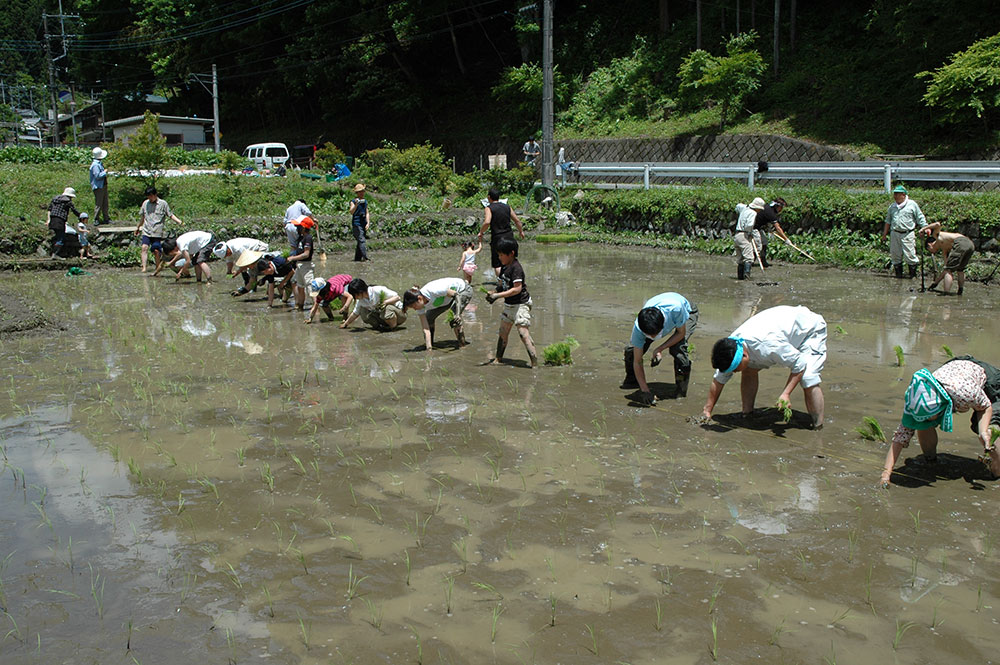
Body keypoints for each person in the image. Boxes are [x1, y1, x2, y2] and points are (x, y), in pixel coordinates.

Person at [880, 356, 1000, 487]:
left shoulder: (964, 393)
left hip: (988, 380)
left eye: (930, 416)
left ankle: (997, 472)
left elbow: (985, 407)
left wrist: (982, 431)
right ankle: (930, 461)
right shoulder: (915, 400)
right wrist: (886, 475)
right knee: (923, 424)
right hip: (955, 368)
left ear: (941, 408)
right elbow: (899, 439)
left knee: (990, 430)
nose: (926, 420)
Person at [702, 305, 827, 429]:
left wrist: (786, 394)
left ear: (744, 355)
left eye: (735, 369)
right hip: (786, 329)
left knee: (808, 378)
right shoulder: (730, 348)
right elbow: (718, 381)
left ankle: (818, 425)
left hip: (810, 330)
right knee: (749, 369)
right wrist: (707, 410)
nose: (734, 372)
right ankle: (747, 414)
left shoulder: (768, 345)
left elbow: (800, 364)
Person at [621, 293, 699, 404]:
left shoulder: (676, 310)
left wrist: (660, 349)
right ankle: (633, 382)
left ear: (663, 326)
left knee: (678, 349)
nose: (653, 338)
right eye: (649, 335)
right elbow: (637, 362)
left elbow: (680, 333)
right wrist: (645, 391)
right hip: (657, 321)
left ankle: (681, 391)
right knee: (631, 351)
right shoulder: (639, 328)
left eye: (655, 335)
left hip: (686, 311)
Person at [485, 237, 538, 367]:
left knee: (523, 333)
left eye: (502, 255)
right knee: (503, 332)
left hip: (521, 304)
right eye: (499, 255)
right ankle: (498, 359)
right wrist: (493, 292)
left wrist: (498, 296)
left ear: (512, 253)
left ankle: (535, 363)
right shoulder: (504, 268)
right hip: (509, 305)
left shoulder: (516, 268)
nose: (500, 257)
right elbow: (501, 285)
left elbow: (517, 289)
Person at [402, 276, 474, 350]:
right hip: (446, 299)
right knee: (429, 318)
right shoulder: (419, 305)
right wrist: (429, 350)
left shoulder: (433, 290)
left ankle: (462, 346)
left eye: (413, 306)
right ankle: (432, 345)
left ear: (419, 299)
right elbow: (426, 329)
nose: (414, 309)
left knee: (454, 319)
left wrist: (457, 314)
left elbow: (456, 295)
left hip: (462, 290)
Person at [478, 188, 525, 279]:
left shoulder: (489, 208)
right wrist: (521, 231)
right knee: (510, 260)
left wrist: (481, 232)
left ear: (489, 197)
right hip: (509, 237)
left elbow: (487, 222)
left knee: (497, 263)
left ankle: (502, 281)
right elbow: (517, 220)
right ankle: (512, 279)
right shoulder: (507, 207)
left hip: (497, 238)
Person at [881, 184, 924, 279]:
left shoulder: (912, 205)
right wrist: (884, 234)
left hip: (907, 233)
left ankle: (912, 276)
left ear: (903, 195)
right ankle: (898, 276)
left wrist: (925, 227)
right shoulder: (892, 207)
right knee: (895, 256)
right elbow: (888, 221)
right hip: (895, 233)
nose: (895, 196)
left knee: (910, 255)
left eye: (897, 194)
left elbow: (920, 217)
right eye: (894, 194)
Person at [919, 222, 975, 295]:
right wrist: (935, 283)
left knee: (949, 270)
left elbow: (937, 224)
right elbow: (945, 270)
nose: (932, 253)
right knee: (960, 270)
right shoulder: (945, 250)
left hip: (961, 241)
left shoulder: (936, 236)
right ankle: (960, 291)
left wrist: (923, 228)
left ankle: (946, 293)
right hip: (970, 244)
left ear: (930, 245)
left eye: (930, 251)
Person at [136, 186, 182, 273]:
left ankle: (157, 268)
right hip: (147, 230)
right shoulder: (145, 203)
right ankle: (144, 267)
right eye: (148, 196)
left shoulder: (163, 204)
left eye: (150, 196)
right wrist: (138, 227)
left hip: (157, 232)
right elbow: (142, 217)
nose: (149, 198)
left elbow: (170, 215)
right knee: (144, 247)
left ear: (155, 195)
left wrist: (179, 221)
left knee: (156, 250)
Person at [341, 278, 406, 331]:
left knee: (387, 308)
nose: (354, 297)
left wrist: (385, 302)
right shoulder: (361, 300)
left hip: (399, 314)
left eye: (354, 294)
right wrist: (345, 324)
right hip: (384, 316)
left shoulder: (378, 290)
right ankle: (380, 328)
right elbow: (355, 313)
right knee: (363, 312)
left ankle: (393, 329)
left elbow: (397, 297)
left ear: (359, 292)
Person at [46, 186, 82, 259]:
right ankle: (55, 254)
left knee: (57, 236)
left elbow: (49, 209)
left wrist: (48, 219)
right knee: (61, 238)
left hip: (53, 219)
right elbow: (74, 210)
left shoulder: (55, 199)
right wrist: (80, 216)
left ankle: (56, 252)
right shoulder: (67, 201)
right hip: (60, 221)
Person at [288, 216, 315, 310]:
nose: (296, 228)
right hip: (299, 265)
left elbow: (306, 254)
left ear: (303, 228)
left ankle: (316, 308)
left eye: (298, 226)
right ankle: (300, 307)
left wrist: (293, 258)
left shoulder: (308, 238)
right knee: (300, 286)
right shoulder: (301, 238)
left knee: (310, 287)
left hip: (306, 265)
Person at [733, 197, 765, 280]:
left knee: (740, 259)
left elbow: (738, 205)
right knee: (749, 258)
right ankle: (747, 277)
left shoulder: (744, 209)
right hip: (744, 235)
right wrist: (750, 232)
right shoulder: (753, 213)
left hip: (737, 235)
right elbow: (749, 225)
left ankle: (740, 278)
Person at [753, 197, 790, 267]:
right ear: (777, 206)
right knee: (758, 246)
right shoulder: (770, 213)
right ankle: (750, 261)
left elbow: (764, 219)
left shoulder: (768, 207)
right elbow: (778, 228)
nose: (781, 210)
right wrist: (786, 239)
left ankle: (763, 260)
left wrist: (768, 229)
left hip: (758, 228)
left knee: (764, 242)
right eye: (781, 208)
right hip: (753, 228)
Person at [349, 183, 371, 262]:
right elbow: (351, 212)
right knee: (362, 240)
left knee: (360, 242)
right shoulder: (353, 201)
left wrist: (368, 223)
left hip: (363, 223)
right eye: (360, 192)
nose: (362, 193)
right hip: (357, 224)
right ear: (357, 193)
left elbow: (367, 212)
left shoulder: (365, 202)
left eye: (363, 191)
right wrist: (356, 205)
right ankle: (365, 258)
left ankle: (357, 259)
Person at [90, 147, 110, 225]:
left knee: (105, 203)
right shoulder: (95, 165)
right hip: (99, 187)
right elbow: (97, 176)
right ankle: (96, 219)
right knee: (99, 203)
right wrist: (104, 172)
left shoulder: (99, 164)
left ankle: (106, 218)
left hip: (103, 186)